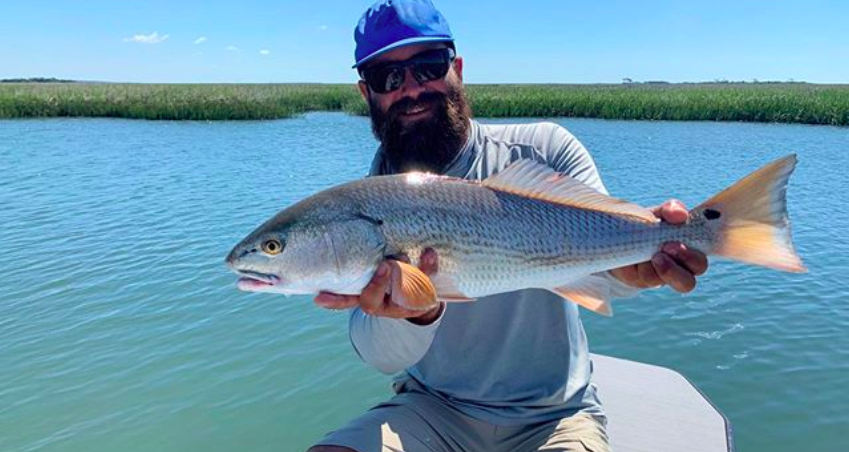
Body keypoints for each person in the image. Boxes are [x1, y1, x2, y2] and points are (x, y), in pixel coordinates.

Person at [308, 1, 708, 451]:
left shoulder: (543, 150)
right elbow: (381, 356)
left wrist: (636, 268)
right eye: (389, 78)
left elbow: (610, 274)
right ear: (367, 93)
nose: (412, 90)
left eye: (429, 66)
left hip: (554, 415)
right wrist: (418, 311)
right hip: (431, 410)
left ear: (456, 68)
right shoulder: (364, 205)